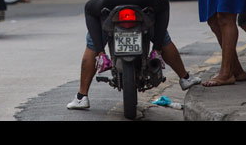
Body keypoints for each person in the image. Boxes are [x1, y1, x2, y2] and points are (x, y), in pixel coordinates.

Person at [67, 31, 201, 110]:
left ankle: (82, 96)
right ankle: (184, 77)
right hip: (143, 2)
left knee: (92, 33)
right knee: (163, 33)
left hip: (111, 3)